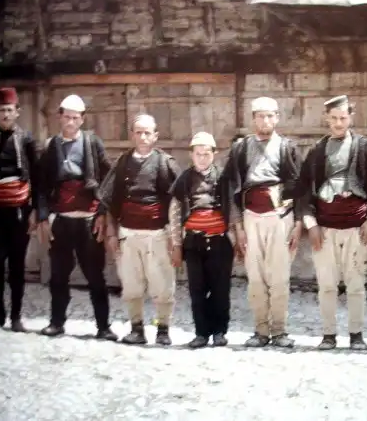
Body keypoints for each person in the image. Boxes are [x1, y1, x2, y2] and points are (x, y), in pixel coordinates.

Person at [298, 95, 367, 350]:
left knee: (356, 283)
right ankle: (328, 335)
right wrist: (311, 224)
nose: (338, 123)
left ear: (351, 117)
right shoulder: (317, 150)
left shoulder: (363, 147)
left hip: (356, 227)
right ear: (326, 118)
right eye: (333, 118)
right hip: (325, 228)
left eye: (343, 118)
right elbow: (303, 189)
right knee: (326, 284)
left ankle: (356, 334)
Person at [36, 94, 116, 341]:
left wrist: (102, 212)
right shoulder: (51, 146)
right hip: (62, 220)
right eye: (66, 117)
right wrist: (43, 216)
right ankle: (56, 323)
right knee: (58, 275)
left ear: (82, 119)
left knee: (95, 275)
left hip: (88, 220)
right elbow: (40, 185)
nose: (70, 122)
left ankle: (103, 327)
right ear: (59, 117)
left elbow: (109, 178)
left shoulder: (92, 143)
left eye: (75, 118)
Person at [225, 96, 303, 348]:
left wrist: (298, 223)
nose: (266, 120)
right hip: (251, 217)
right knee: (255, 276)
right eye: (261, 116)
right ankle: (260, 330)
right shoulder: (241, 148)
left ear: (277, 118)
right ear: (253, 119)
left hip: (280, 217)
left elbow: (300, 187)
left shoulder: (287, 147)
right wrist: (238, 226)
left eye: (270, 115)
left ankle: (279, 331)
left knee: (279, 276)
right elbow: (231, 188)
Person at [100, 114, 181, 346]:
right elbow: (109, 200)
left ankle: (162, 329)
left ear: (155, 136)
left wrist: (175, 239)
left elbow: (179, 202)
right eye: (138, 132)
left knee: (162, 284)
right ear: (132, 135)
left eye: (147, 132)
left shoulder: (165, 163)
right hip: (128, 234)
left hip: (158, 235)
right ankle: (136, 329)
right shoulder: (122, 163)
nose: (143, 137)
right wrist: (111, 233)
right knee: (131, 285)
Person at [0, 87, 38, 332]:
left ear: (17, 112)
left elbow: (37, 178)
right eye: (2, 110)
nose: (5, 114)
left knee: (16, 265)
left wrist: (35, 210)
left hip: (20, 211)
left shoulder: (26, 139)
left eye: (9, 110)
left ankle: (16, 317)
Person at [168, 132, 236, 348]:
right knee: (197, 290)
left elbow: (233, 209)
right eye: (198, 154)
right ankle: (201, 333)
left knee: (220, 290)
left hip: (219, 241)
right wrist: (176, 244)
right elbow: (175, 212)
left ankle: (219, 332)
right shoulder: (184, 179)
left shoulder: (223, 178)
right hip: (194, 243)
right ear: (192, 155)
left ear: (214, 154)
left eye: (207, 153)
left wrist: (237, 237)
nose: (202, 158)